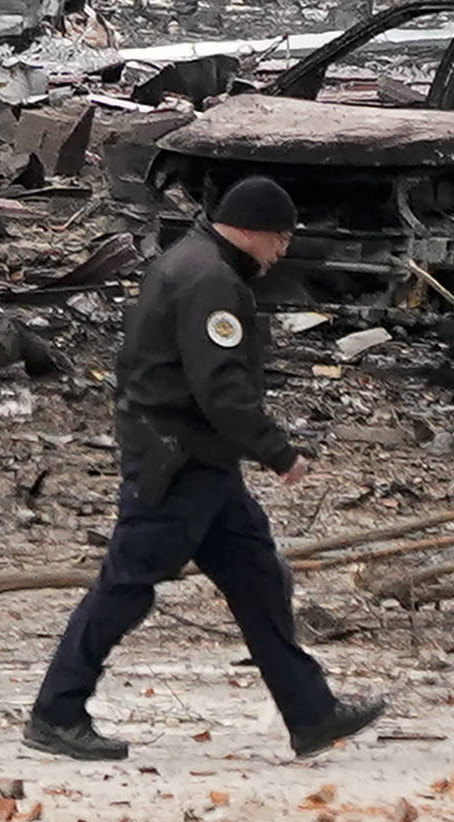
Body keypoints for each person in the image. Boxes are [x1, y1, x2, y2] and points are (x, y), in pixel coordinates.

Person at [24, 176, 386, 761]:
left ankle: (311, 713)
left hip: (200, 462)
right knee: (126, 586)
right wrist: (276, 450)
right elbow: (219, 385)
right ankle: (56, 712)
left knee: (259, 579)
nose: (283, 249)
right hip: (178, 462)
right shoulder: (212, 281)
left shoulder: (190, 261)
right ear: (248, 230)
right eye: (279, 237)